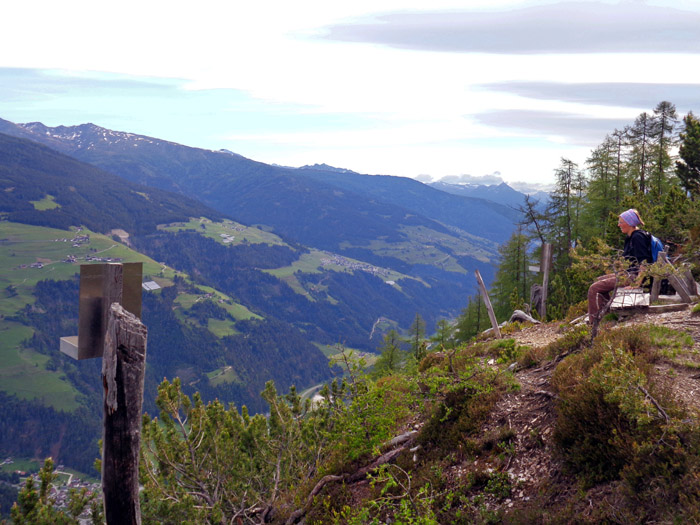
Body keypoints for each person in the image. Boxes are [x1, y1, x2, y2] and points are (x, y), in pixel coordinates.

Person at [587, 209, 653, 325]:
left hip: (634, 277)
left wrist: (636, 283)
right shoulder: (631, 237)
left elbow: (644, 262)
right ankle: (607, 313)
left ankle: (593, 323)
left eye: (621, 222)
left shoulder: (637, 238)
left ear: (630, 223)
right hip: (629, 274)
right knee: (599, 282)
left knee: (594, 288)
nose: (618, 225)